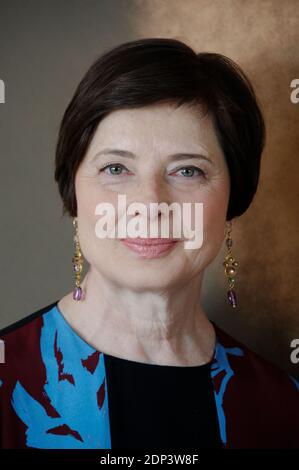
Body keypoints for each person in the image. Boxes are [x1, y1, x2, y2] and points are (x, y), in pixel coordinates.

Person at [0, 37, 298, 450]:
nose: (149, 204)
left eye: (188, 171)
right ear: (73, 192)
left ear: (233, 197)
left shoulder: (284, 405)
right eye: (116, 167)